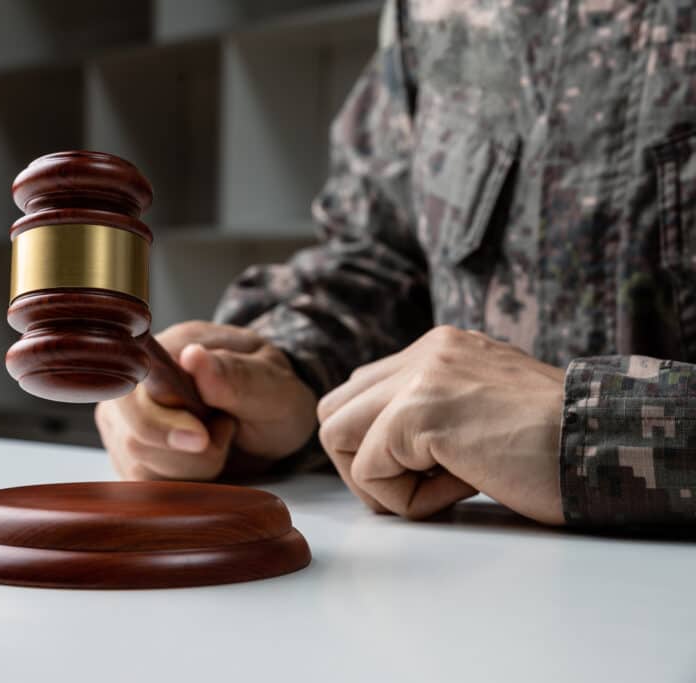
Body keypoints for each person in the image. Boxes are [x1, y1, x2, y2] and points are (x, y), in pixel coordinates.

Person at [95, 0, 696, 527]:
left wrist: (596, 428)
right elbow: (382, 257)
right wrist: (287, 378)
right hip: (468, 589)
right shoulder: (434, 12)